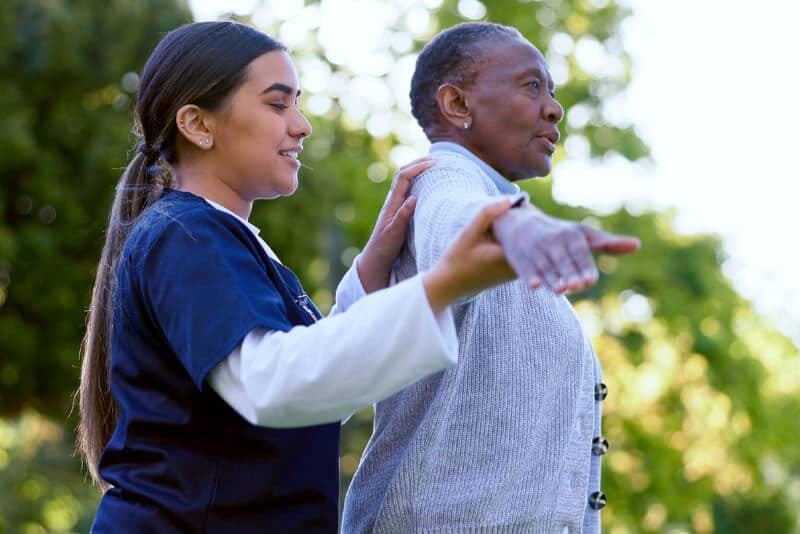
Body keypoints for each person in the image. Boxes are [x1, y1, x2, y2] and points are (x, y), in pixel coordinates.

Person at [76, 21, 527, 533]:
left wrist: (371, 272)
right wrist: (446, 283)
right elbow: (273, 386)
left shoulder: (220, 239)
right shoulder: (186, 235)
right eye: (277, 103)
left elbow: (306, 396)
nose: (302, 125)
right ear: (198, 124)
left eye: (298, 103)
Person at [342, 22, 641, 534]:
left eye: (552, 90)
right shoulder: (438, 179)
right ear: (458, 105)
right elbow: (453, 224)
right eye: (531, 85)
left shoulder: (496, 214)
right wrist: (509, 221)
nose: (554, 108)